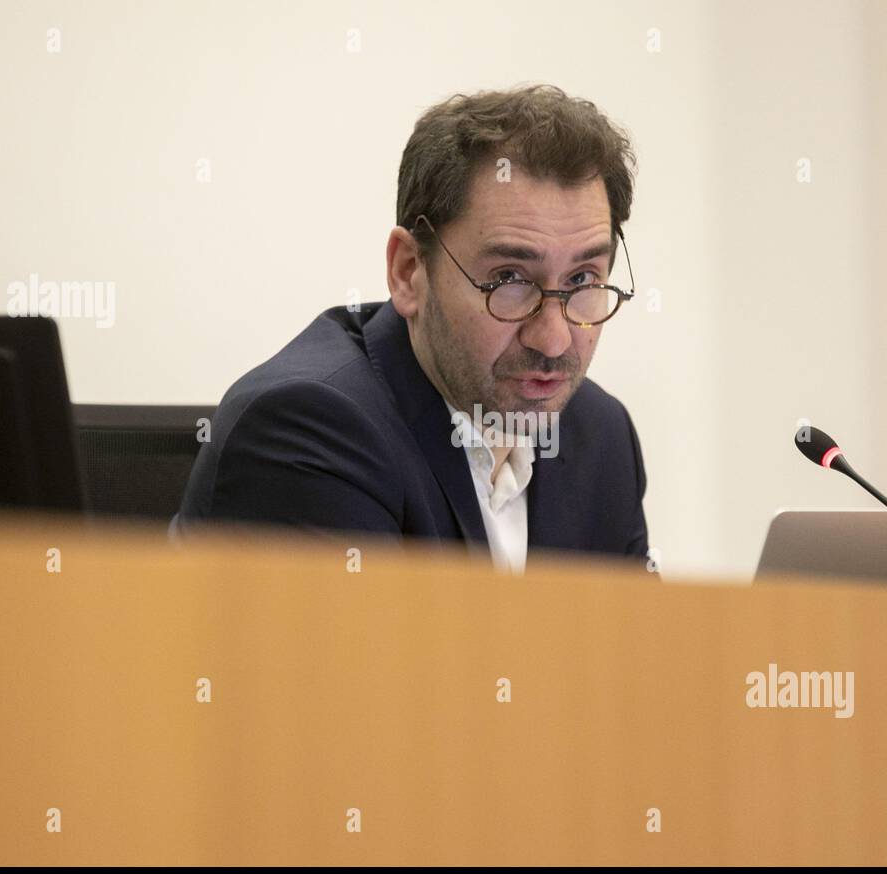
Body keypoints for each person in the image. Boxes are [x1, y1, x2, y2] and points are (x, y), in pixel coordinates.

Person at [178, 84, 650, 573]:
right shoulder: (308, 430)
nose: (553, 339)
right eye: (509, 279)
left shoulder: (600, 437)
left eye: (582, 279)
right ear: (408, 271)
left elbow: (637, 649)